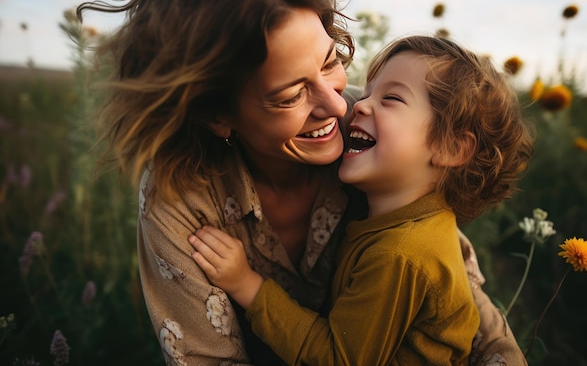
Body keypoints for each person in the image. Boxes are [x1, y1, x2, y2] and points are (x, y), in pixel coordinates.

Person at [77, 0, 529, 365]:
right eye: (291, 94)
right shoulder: (179, 202)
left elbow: (470, 312)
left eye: (330, 61)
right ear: (218, 114)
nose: (339, 107)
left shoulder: (377, 138)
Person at [189, 35, 534, 365]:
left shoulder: (401, 253)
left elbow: (339, 359)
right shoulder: (401, 222)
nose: (357, 106)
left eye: (392, 99)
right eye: (368, 93)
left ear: (452, 148)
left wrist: (246, 284)